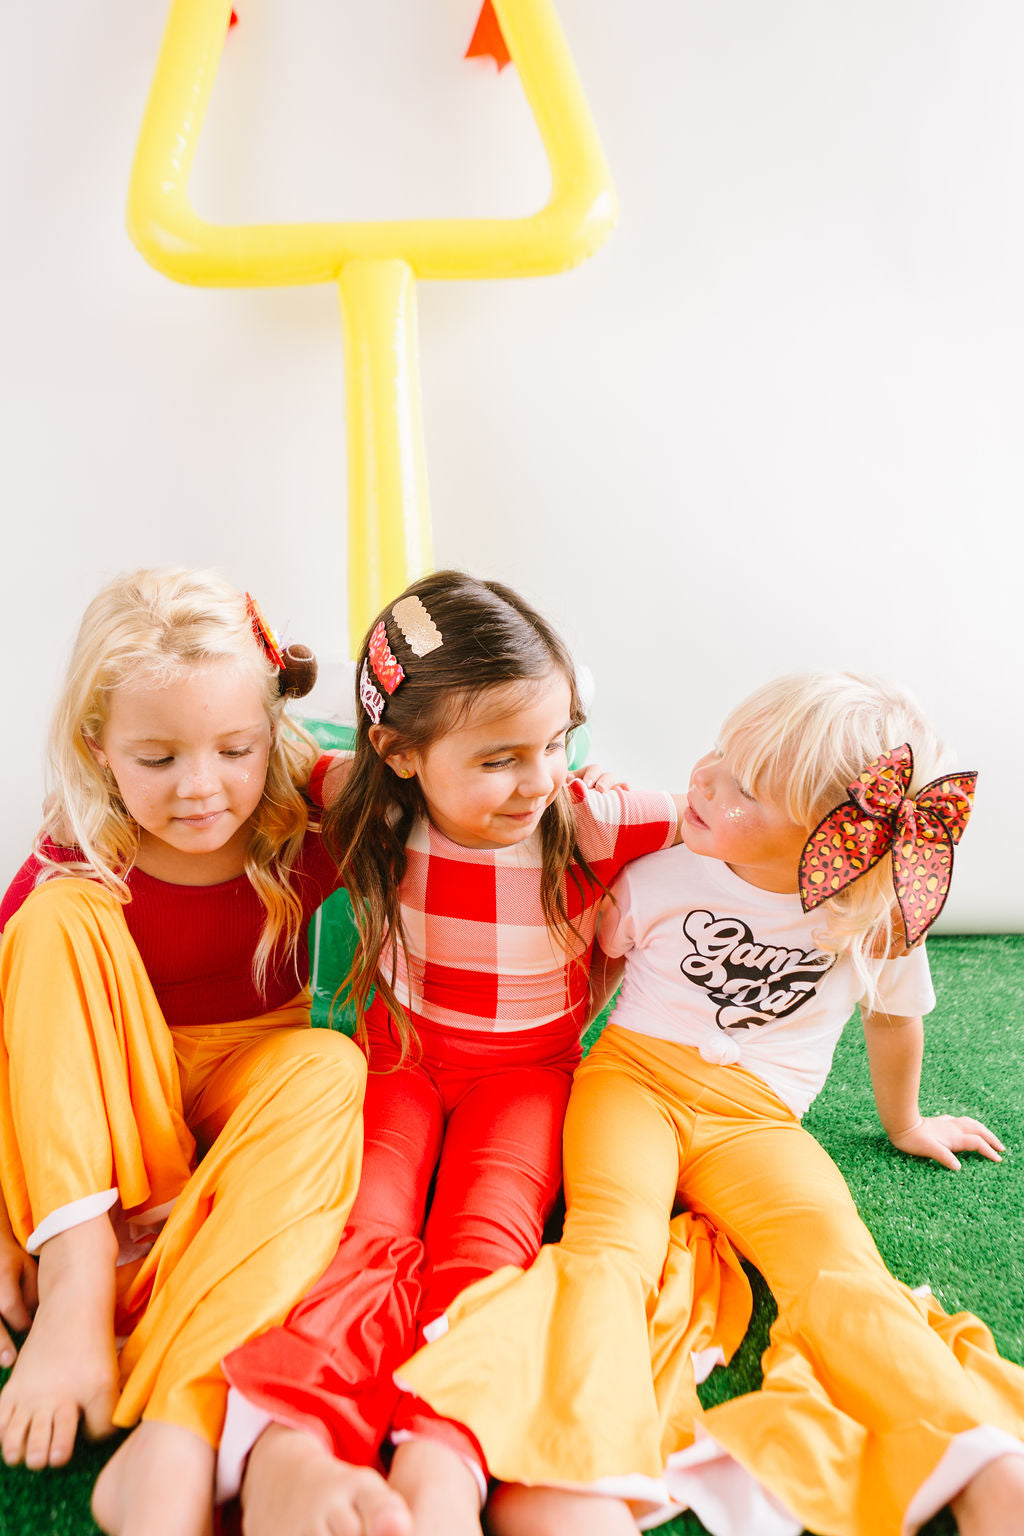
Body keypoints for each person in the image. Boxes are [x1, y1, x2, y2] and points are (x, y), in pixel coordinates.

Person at [399, 671, 1024, 1536]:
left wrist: (906, 1122)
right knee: (612, 1245)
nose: (703, 777)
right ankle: (582, 1458)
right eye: (720, 754)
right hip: (629, 1088)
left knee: (838, 1264)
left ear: (826, 841)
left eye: (744, 787)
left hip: (756, 1120)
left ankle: (978, 1457)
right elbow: (583, 960)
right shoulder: (659, 872)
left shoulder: (867, 916)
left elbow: (894, 1023)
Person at [215, 570, 694, 1536]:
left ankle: (450, 1450)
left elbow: (735, 819)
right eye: (500, 758)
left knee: (486, 1239)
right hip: (398, 1064)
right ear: (396, 752)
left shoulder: (590, 820)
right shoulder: (365, 800)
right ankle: (303, 1437)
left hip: (526, 1081)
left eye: (558, 742)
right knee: (365, 1227)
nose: (539, 779)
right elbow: (275, 743)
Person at [0, 568, 368, 1536]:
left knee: (333, 1065)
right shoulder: (82, 848)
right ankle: (78, 1278)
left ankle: (183, 1389)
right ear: (100, 749)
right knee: (54, 919)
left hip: (245, 1090)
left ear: (274, 734)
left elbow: (439, 788)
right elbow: (21, 1043)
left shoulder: (306, 820)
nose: (203, 788)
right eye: (157, 757)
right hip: (116, 1105)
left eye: (236, 749)